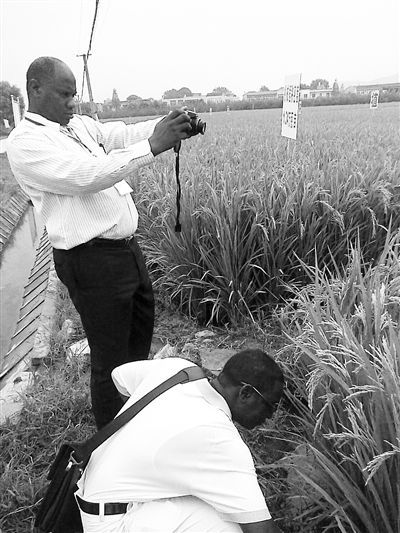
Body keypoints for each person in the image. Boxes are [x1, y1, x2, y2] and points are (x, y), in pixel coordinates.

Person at [7, 57, 195, 429]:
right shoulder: (26, 143)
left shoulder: (76, 125)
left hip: (125, 251)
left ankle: (133, 416)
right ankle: (110, 439)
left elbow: (119, 135)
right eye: (64, 95)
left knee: (138, 340)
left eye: (74, 94)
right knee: (111, 358)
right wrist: (154, 145)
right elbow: (87, 175)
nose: (72, 103)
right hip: (90, 261)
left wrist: (167, 125)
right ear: (35, 89)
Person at [76, 349, 285, 532]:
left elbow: (120, 376)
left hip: (92, 490)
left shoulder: (180, 369)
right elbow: (261, 529)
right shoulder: (219, 437)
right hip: (112, 523)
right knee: (229, 526)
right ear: (246, 393)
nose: (270, 417)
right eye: (270, 406)